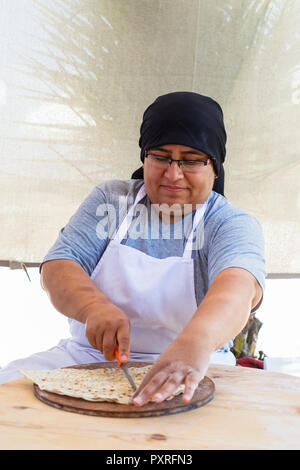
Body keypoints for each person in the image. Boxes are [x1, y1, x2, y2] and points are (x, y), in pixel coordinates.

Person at [0, 92, 265, 406]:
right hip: (87, 359)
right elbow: (59, 266)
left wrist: (195, 343)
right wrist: (93, 307)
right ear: (144, 157)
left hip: (199, 365)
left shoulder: (229, 223)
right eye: (161, 157)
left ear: (215, 167)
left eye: (192, 160)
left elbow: (237, 288)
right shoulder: (111, 201)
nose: (173, 174)